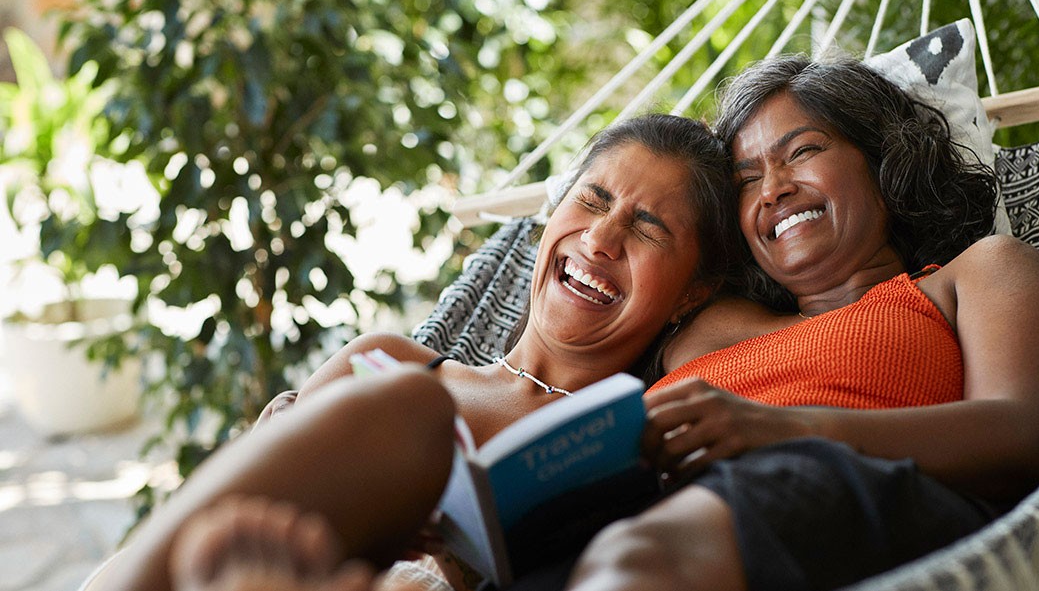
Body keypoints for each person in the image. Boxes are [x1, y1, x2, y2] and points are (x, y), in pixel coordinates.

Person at [81, 113, 744, 591]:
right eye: (591, 200)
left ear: (695, 294)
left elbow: (818, 321)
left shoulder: (633, 432)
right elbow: (212, 506)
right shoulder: (393, 360)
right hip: (207, 565)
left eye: (647, 226)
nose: (602, 237)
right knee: (406, 403)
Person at [551, 55, 1039, 591]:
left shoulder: (974, 274)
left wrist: (787, 429)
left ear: (885, 162)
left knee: (637, 560)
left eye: (803, 151)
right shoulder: (698, 326)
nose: (773, 189)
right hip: (646, 523)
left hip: (848, 503)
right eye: (746, 180)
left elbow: (1026, 435)